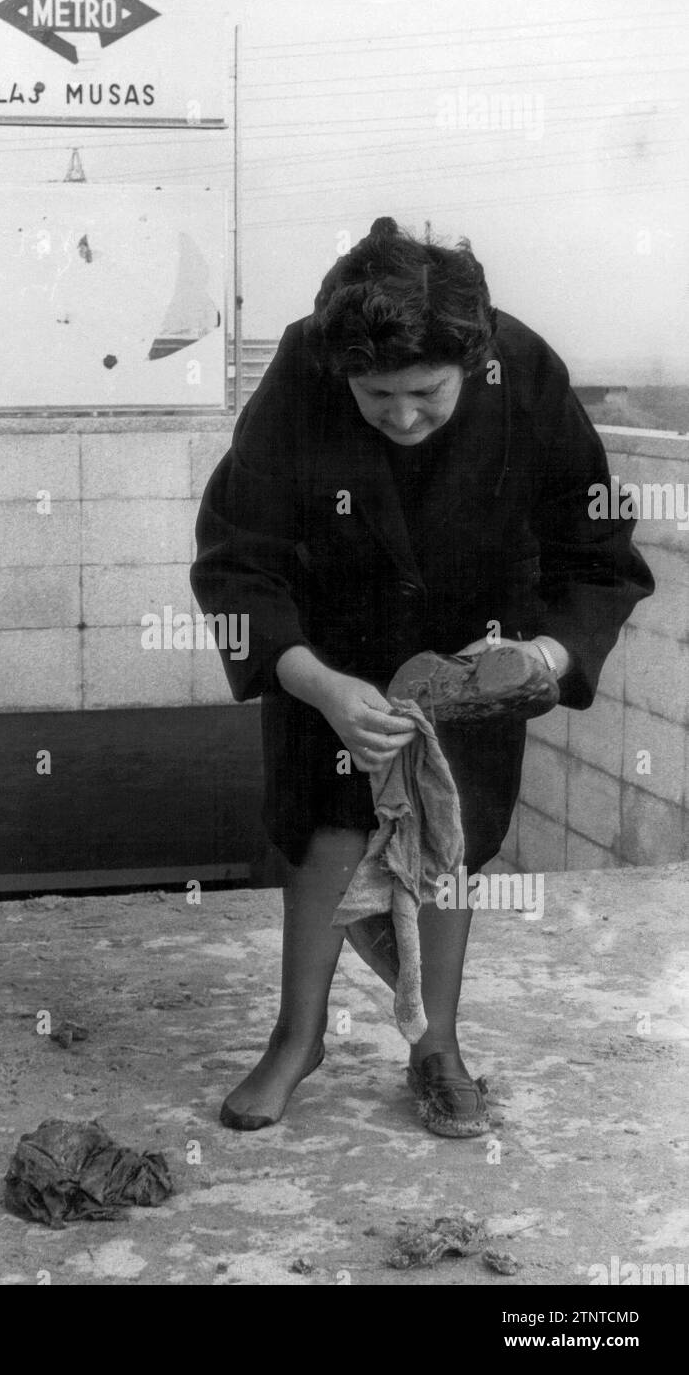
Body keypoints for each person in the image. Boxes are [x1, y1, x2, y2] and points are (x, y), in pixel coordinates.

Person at [190, 216, 654, 1137]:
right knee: (328, 835)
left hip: (476, 660)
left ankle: (435, 1048)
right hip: (330, 648)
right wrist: (316, 682)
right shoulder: (304, 368)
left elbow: (599, 552)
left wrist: (540, 660)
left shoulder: (522, 372)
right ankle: (298, 1038)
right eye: (377, 397)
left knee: (446, 845)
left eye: (426, 394)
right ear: (343, 372)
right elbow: (237, 558)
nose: (401, 416)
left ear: (469, 360)